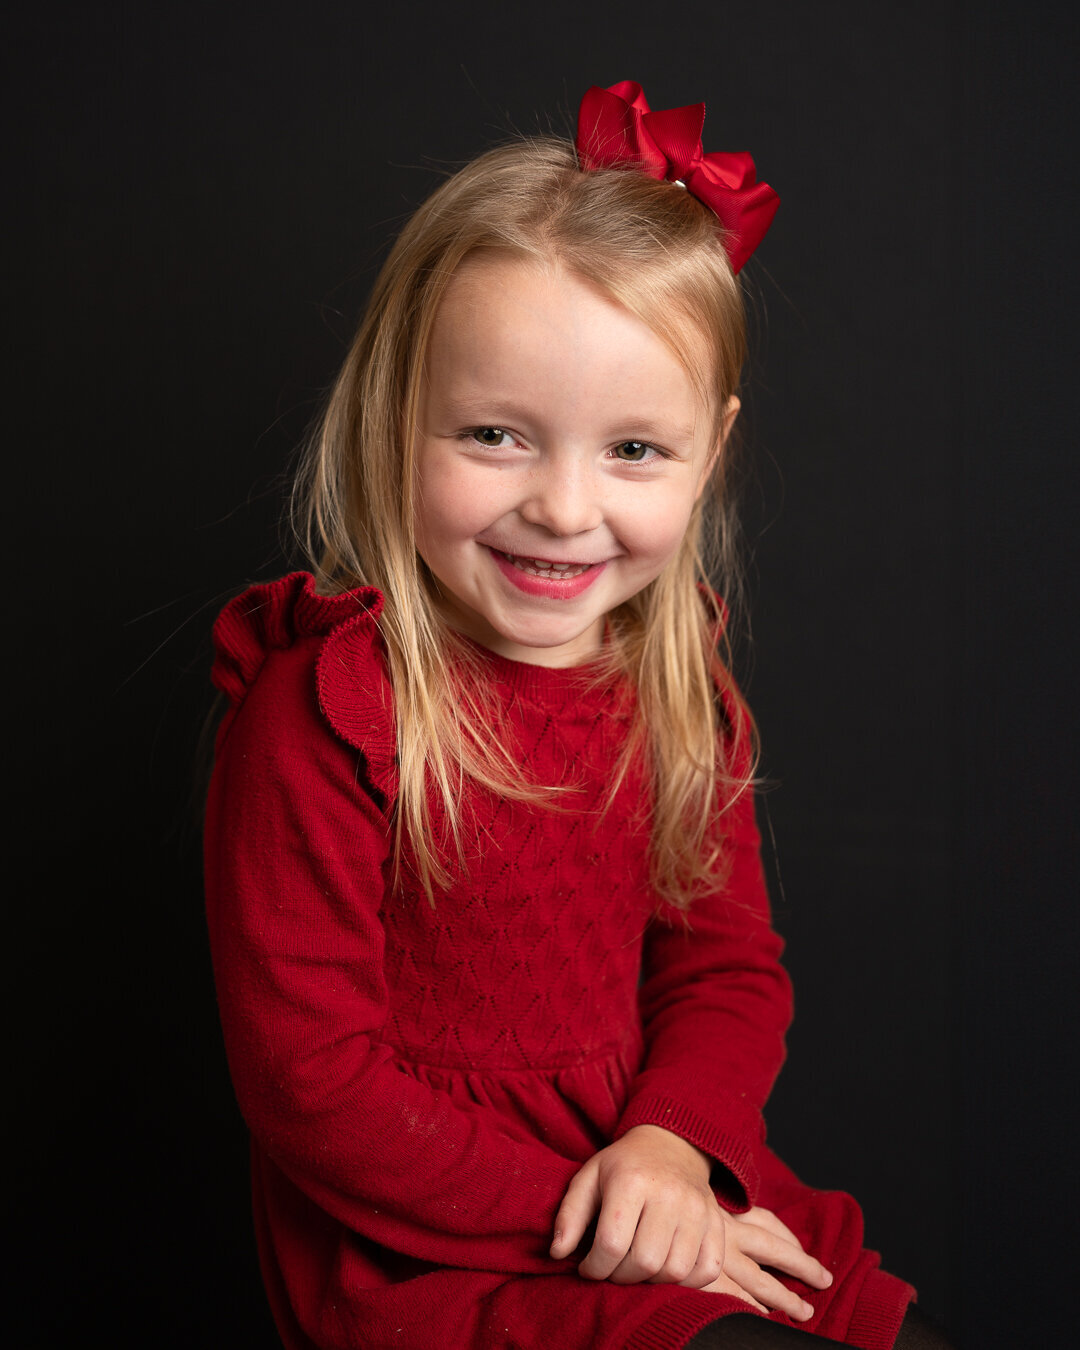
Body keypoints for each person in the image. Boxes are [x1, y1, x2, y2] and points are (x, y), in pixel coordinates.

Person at [204, 81, 953, 1350]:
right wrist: (604, 1219)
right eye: (497, 434)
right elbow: (310, 1085)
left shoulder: (676, 691)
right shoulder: (325, 711)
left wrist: (673, 1153)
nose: (563, 507)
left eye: (633, 452)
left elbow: (723, 970)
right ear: (398, 418)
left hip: (653, 1176)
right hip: (440, 1243)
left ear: (709, 451)